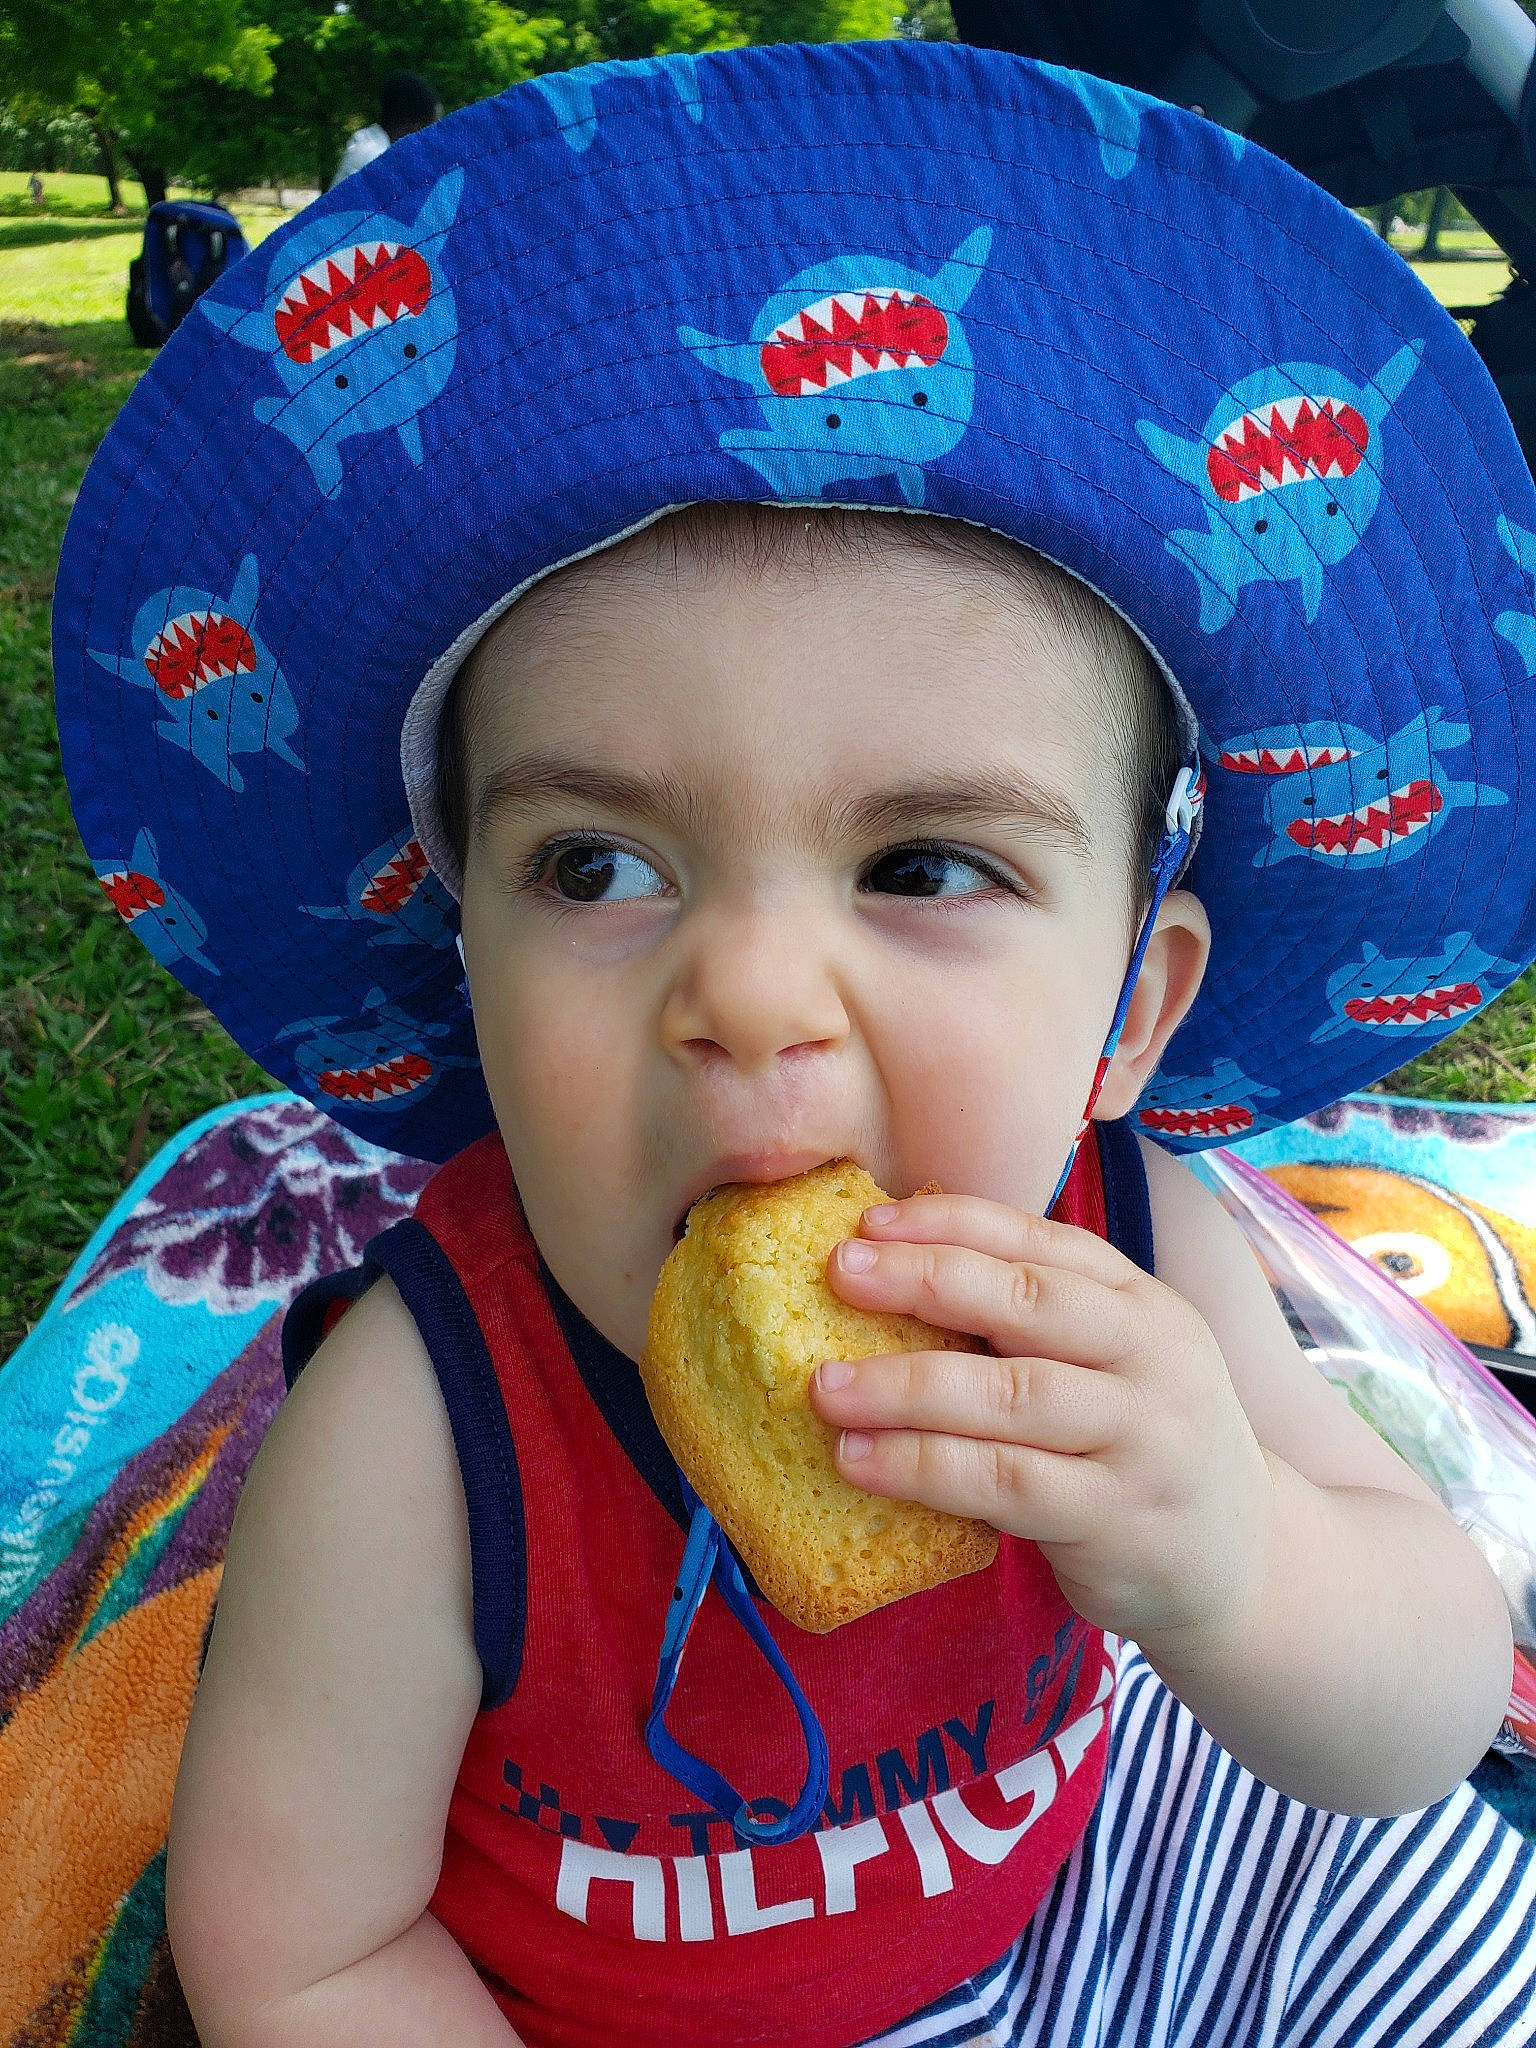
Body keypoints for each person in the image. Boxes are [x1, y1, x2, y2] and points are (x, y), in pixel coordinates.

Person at [50, 37, 1536, 2048]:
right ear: (460, 946)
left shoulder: (1145, 1260)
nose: (749, 992)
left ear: (1134, 1011)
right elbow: (298, 1948)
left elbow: (1429, 1699)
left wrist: (1234, 1556)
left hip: (1078, 1908)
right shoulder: (418, 1433)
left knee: (1439, 1893)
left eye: (923, 864)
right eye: (594, 865)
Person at [330, 68, 442, 188]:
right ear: (414, 127)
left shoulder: (369, 143)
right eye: (431, 128)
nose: (433, 139)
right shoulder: (375, 160)